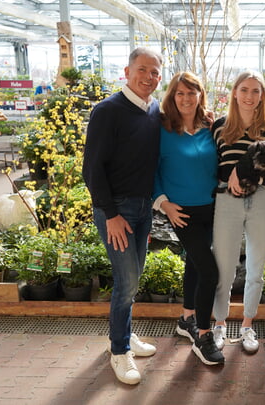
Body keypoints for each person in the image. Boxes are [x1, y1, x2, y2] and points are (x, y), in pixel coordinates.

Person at [82, 47, 163, 385]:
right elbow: (92, 169)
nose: (149, 77)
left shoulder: (154, 109)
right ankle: (118, 351)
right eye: (143, 70)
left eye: (155, 72)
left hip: (144, 208)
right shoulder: (107, 111)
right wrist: (111, 214)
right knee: (126, 281)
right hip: (116, 211)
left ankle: (125, 336)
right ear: (128, 72)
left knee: (133, 278)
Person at [211, 71, 265, 353]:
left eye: (256, 91)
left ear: (262, 96)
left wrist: (247, 176)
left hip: (262, 200)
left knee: (256, 268)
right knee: (225, 268)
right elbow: (212, 165)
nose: (249, 96)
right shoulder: (219, 127)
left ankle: (247, 325)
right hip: (227, 201)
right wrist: (229, 174)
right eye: (244, 90)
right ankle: (220, 324)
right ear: (234, 92)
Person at [152, 71, 224, 365]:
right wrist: (163, 204)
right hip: (181, 213)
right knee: (209, 271)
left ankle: (186, 319)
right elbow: (150, 170)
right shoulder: (162, 129)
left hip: (212, 208)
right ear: (172, 96)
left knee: (195, 264)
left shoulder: (210, 125)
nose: (185, 99)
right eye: (180, 93)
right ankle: (203, 336)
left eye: (191, 93)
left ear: (200, 96)